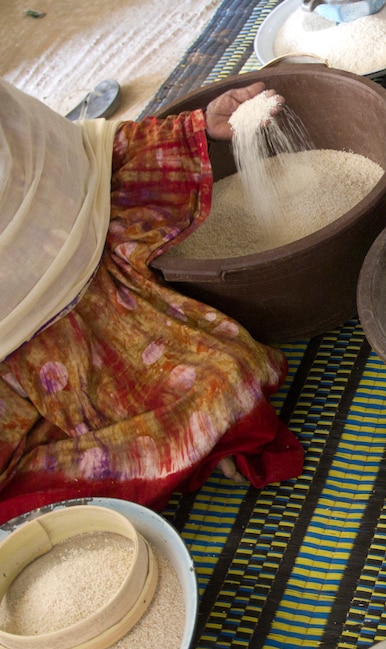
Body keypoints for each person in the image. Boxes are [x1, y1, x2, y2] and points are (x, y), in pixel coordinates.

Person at [0, 79, 304, 524]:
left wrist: (193, 130)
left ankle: (182, 439)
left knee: (226, 377)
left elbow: (83, 159)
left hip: (99, 299)